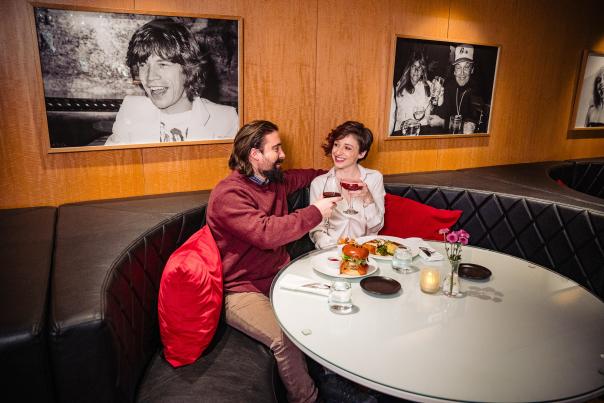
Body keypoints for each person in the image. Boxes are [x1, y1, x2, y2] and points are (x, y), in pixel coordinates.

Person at [206, 120, 341, 403]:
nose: (282, 154)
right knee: (285, 340)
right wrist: (315, 211)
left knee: (333, 305)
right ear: (254, 153)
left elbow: (307, 177)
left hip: (279, 277)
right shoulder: (229, 194)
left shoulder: (273, 180)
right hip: (242, 289)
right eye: (276, 148)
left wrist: (337, 174)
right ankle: (308, 398)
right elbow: (267, 233)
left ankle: (340, 384)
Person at [105, 18, 239, 145]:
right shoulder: (131, 110)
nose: (150, 77)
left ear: (188, 69)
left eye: (162, 64)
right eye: (142, 65)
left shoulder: (226, 120)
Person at [309, 121, 385, 249]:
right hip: (329, 252)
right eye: (336, 145)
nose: (338, 152)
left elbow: (376, 226)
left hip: (365, 252)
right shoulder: (319, 183)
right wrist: (332, 250)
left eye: (347, 148)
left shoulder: (374, 178)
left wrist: (368, 198)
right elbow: (316, 229)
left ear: (362, 153)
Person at [428, 44, 485, 134]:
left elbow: (470, 128)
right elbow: (435, 119)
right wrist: (439, 100)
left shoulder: (477, 92)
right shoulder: (449, 86)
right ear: (454, 71)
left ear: (472, 70)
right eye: (458, 67)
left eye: (466, 67)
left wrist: (443, 123)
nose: (462, 73)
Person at [389, 54, 443, 135]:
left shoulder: (428, 85)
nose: (416, 70)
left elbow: (439, 103)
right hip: (402, 132)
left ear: (423, 72)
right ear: (409, 68)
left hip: (423, 131)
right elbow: (393, 114)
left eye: (420, 68)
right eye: (414, 66)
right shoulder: (399, 87)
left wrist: (440, 93)